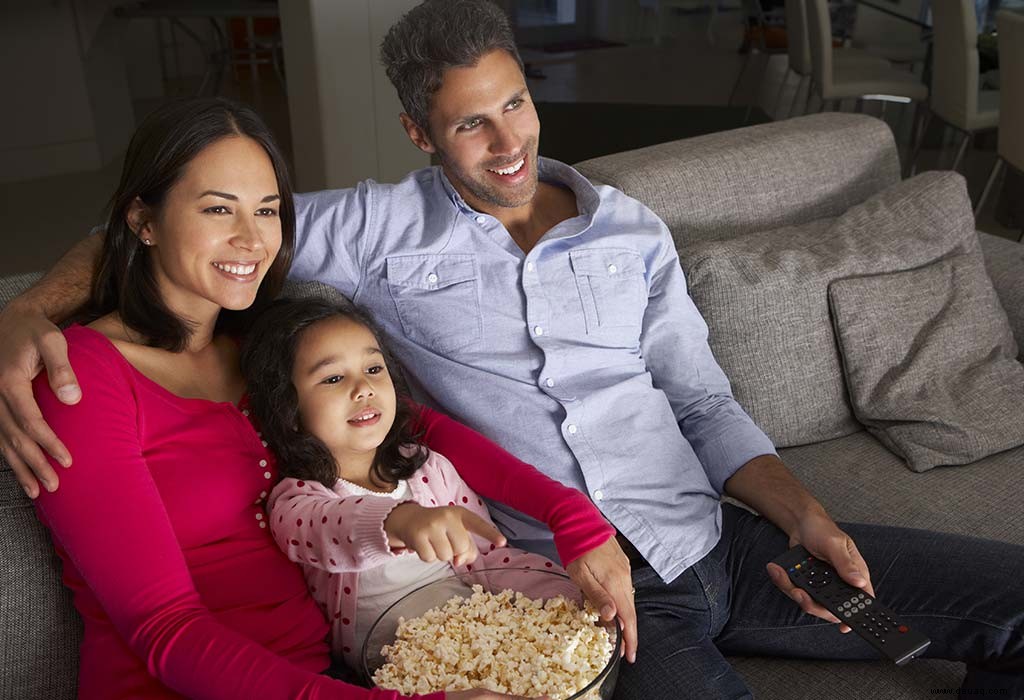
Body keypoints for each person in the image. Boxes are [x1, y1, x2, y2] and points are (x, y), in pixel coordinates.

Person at [1, 0, 1021, 696]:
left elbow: (704, 405)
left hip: (716, 541)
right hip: (565, 591)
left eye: (515, 104)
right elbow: (192, 230)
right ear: (416, 135)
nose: (506, 145)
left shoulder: (630, 230)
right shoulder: (374, 228)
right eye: (468, 127)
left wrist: (802, 518)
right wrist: (24, 312)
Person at [16, 95, 626, 700]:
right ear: (143, 221)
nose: (251, 240)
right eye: (216, 209)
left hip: (342, 672)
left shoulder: (264, 343)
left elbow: (416, 430)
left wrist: (570, 517)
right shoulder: (79, 379)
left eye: (267, 210)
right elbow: (164, 631)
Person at [240, 298, 599, 668]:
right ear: (290, 410)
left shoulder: (429, 469)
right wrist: (398, 521)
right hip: (402, 671)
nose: (363, 387)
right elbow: (328, 528)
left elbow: (488, 559)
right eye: (333, 378)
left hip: (486, 638)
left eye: (374, 368)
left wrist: (566, 596)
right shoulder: (297, 500)